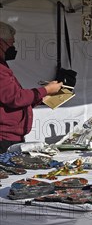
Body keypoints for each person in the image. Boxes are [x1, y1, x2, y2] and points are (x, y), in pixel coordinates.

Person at [0, 22, 63, 153]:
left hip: (10, 137)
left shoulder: (3, 66)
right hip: (4, 139)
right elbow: (15, 98)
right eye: (11, 43)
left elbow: (13, 97)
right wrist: (45, 90)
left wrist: (42, 97)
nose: (13, 47)